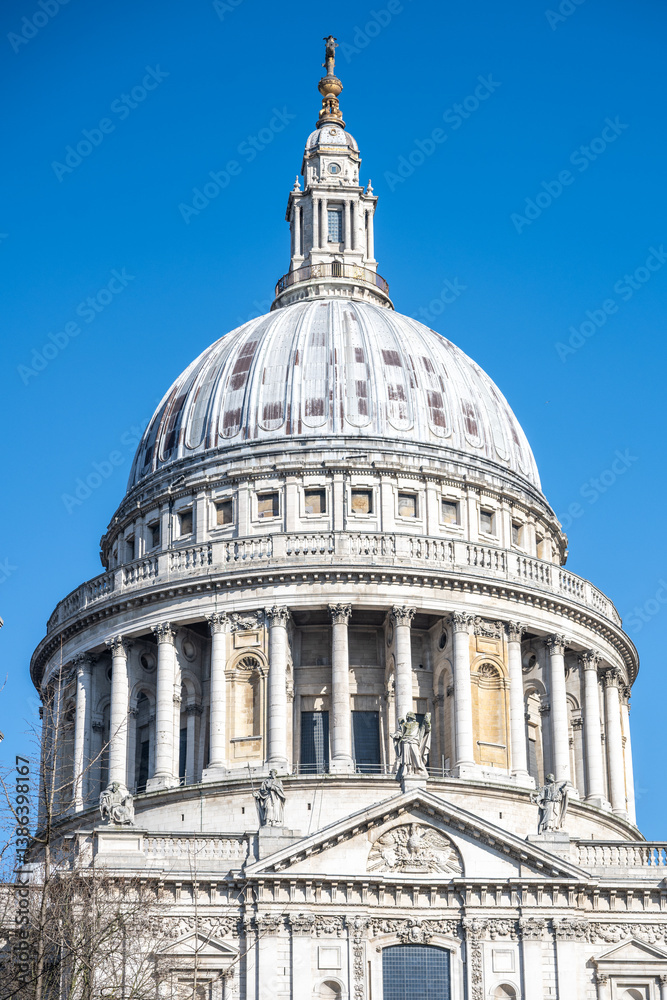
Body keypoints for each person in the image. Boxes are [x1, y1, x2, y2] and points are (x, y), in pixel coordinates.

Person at [391, 712, 431, 780]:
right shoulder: (404, 725)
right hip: (405, 741)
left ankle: (418, 769)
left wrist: (427, 722)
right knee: (407, 757)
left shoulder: (417, 724)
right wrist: (395, 735)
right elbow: (400, 732)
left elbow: (425, 729)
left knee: (416, 755)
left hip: (414, 741)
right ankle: (408, 770)